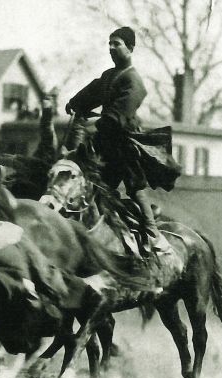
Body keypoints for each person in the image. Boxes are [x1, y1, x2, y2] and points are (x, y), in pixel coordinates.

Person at [66, 26, 180, 255]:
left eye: (116, 43)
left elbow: (118, 115)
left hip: (124, 145)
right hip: (105, 143)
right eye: (109, 43)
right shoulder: (109, 76)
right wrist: (75, 103)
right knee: (94, 186)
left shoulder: (134, 81)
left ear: (130, 48)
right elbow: (92, 92)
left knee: (135, 188)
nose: (111, 48)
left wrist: (93, 126)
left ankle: (153, 235)